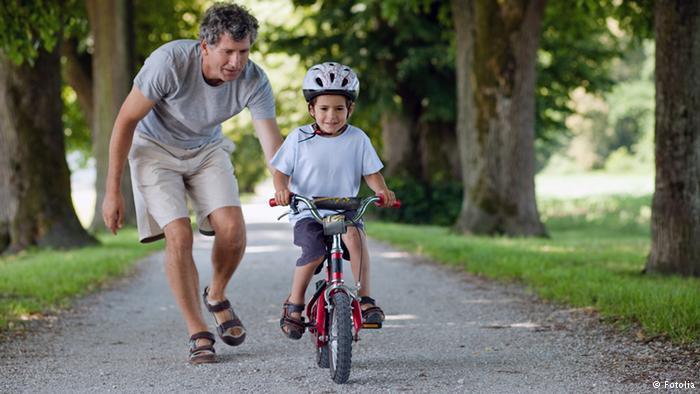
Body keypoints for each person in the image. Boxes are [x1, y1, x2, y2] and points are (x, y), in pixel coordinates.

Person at [101, 2, 282, 364]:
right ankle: (197, 330)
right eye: (227, 52)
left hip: (206, 149)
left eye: (243, 51)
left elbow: (271, 140)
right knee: (179, 234)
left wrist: (283, 185)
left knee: (232, 228)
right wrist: (112, 191)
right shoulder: (168, 63)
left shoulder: (254, 79)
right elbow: (124, 122)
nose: (236, 62)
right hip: (154, 150)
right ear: (205, 46)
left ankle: (216, 294)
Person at [271, 62, 396, 340]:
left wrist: (383, 191)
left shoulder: (358, 138)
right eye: (324, 108)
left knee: (356, 237)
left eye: (339, 109)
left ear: (349, 109)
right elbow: (280, 172)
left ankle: (365, 299)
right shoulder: (298, 138)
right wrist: (282, 190)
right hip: (308, 210)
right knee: (313, 252)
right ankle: (295, 303)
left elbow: (372, 174)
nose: (331, 116)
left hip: (345, 209)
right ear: (311, 109)